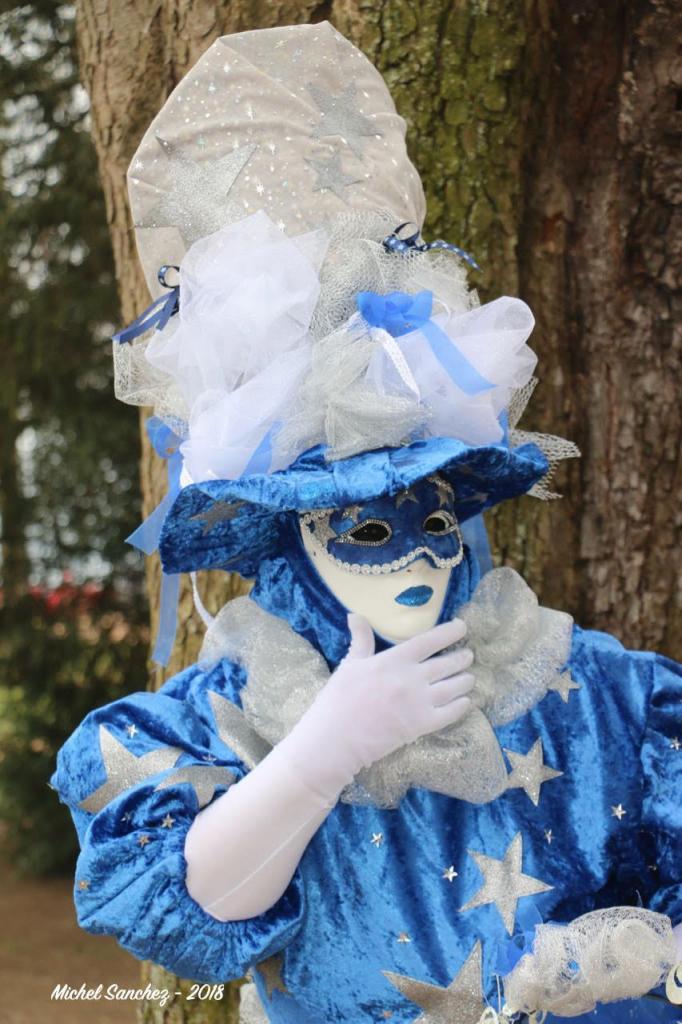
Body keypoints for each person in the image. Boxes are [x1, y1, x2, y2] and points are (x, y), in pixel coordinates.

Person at [51, 22, 682, 1024]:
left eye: (434, 507)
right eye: (364, 526)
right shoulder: (227, 716)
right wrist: (323, 749)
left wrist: (635, 965)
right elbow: (188, 911)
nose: (424, 547)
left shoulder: (594, 692)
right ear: (289, 535)